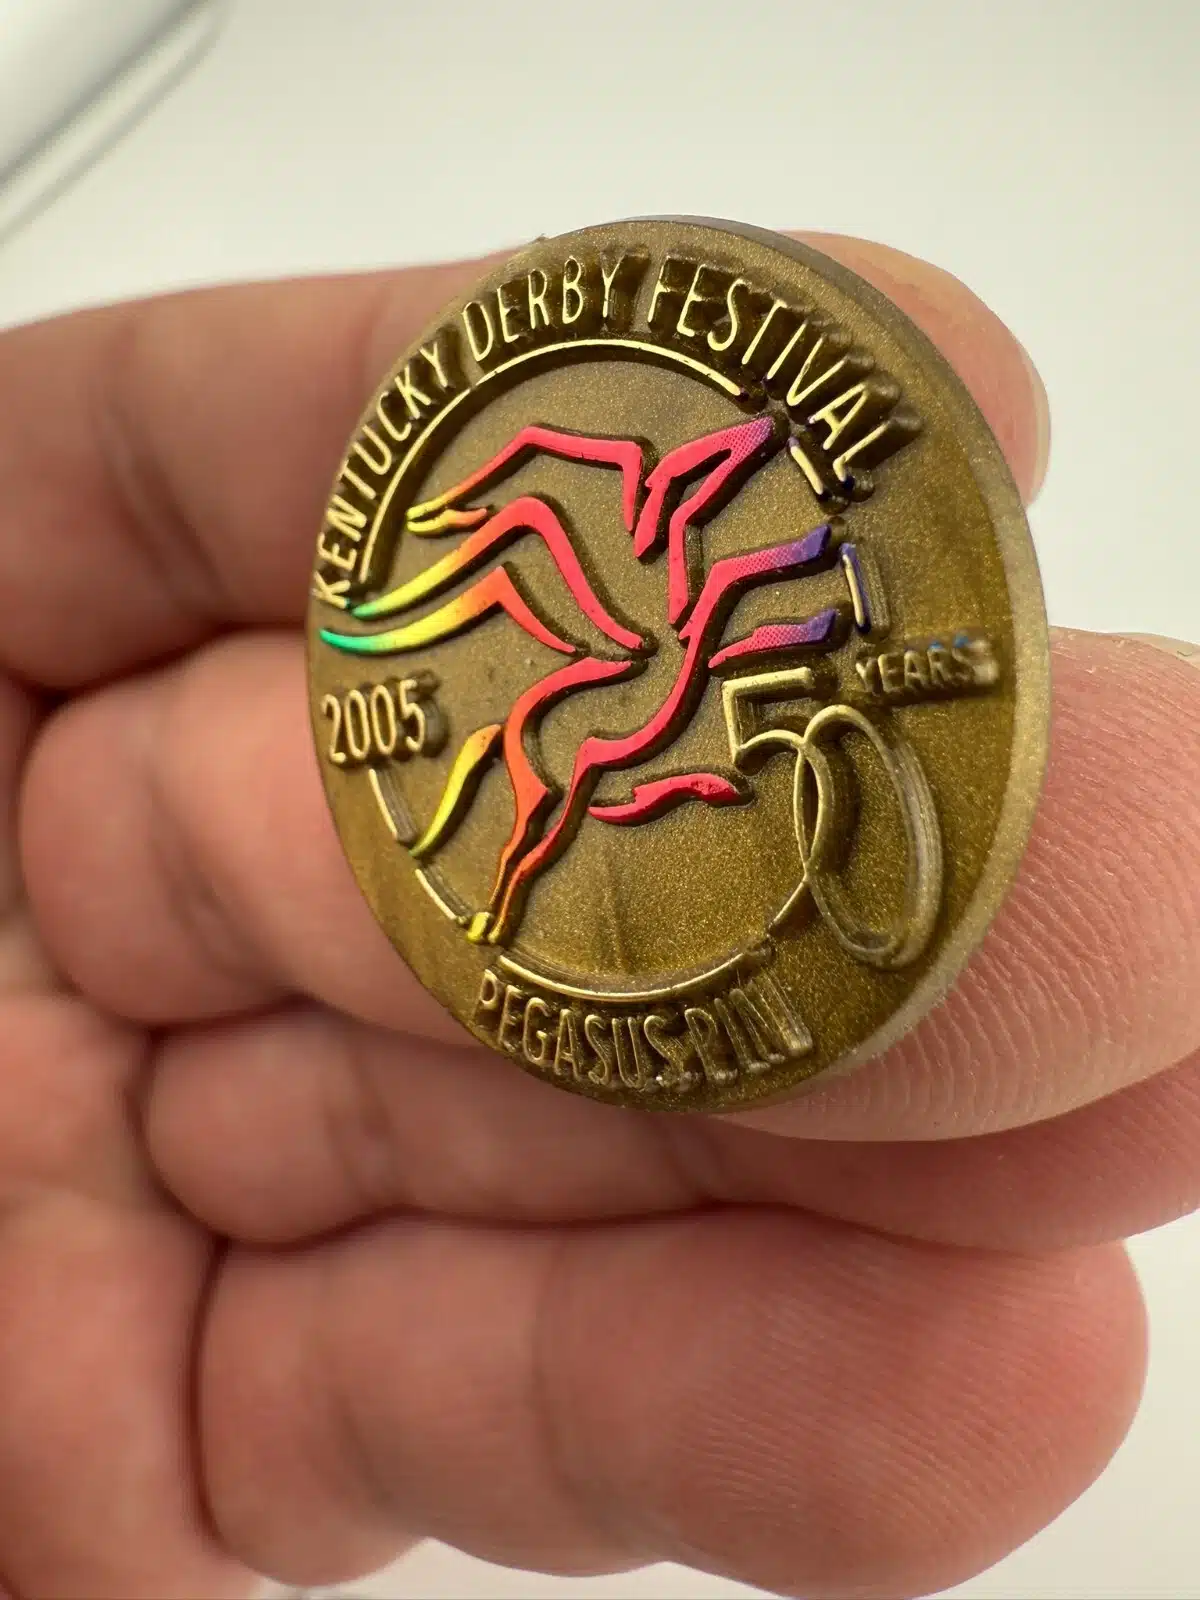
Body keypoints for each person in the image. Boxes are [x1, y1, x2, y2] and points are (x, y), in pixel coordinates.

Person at [0, 231, 1196, 1600]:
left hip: (675, 707)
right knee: (531, 826)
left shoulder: (691, 593)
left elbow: (711, 563)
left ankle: (518, 869)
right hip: (613, 727)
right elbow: (568, 529)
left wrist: (774, 521)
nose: (662, 509)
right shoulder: (593, 665)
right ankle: (509, 880)